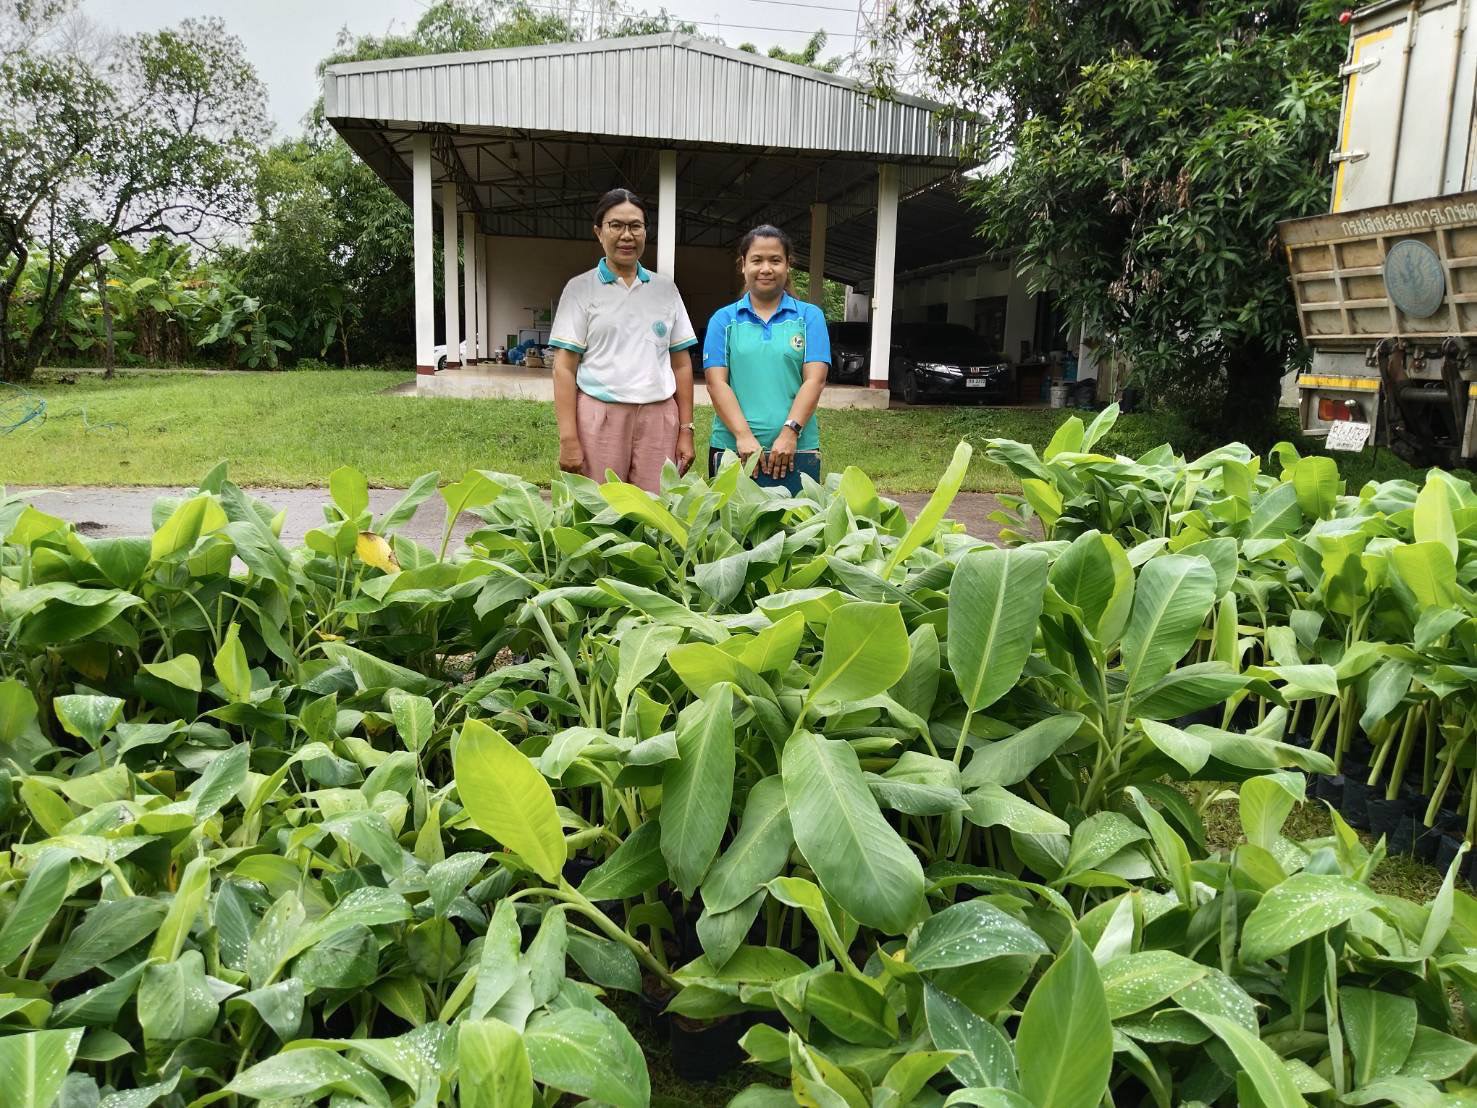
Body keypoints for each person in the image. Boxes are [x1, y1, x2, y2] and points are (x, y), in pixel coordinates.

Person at [549, 188, 698, 493]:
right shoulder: (580, 289)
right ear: (598, 232)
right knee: (598, 512)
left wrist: (686, 430)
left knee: (656, 513)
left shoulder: (666, 290)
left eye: (635, 226)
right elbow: (564, 368)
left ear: (645, 232)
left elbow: (681, 365)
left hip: (658, 418)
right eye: (615, 225)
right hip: (599, 416)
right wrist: (568, 438)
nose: (626, 235)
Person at [703, 225, 829, 494]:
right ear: (743, 265)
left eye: (775, 260)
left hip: (797, 448)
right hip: (732, 448)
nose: (766, 268)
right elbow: (716, 384)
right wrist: (743, 437)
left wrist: (790, 433)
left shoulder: (809, 318)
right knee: (730, 532)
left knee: (795, 530)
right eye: (757, 260)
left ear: (788, 265)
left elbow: (815, 380)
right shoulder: (723, 320)